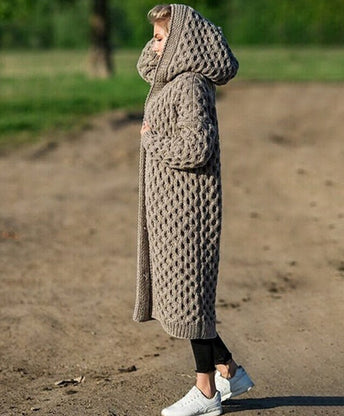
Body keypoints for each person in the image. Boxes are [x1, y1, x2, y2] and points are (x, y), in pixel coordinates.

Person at [134, 4, 254, 416]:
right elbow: (149, 69)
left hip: (188, 211)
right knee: (187, 299)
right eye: (154, 35)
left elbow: (197, 146)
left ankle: (206, 393)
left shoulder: (188, 85)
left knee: (189, 299)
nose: (155, 42)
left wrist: (153, 141)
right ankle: (230, 370)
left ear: (183, 42)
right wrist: (157, 45)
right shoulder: (172, 79)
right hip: (172, 207)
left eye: (163, 36)